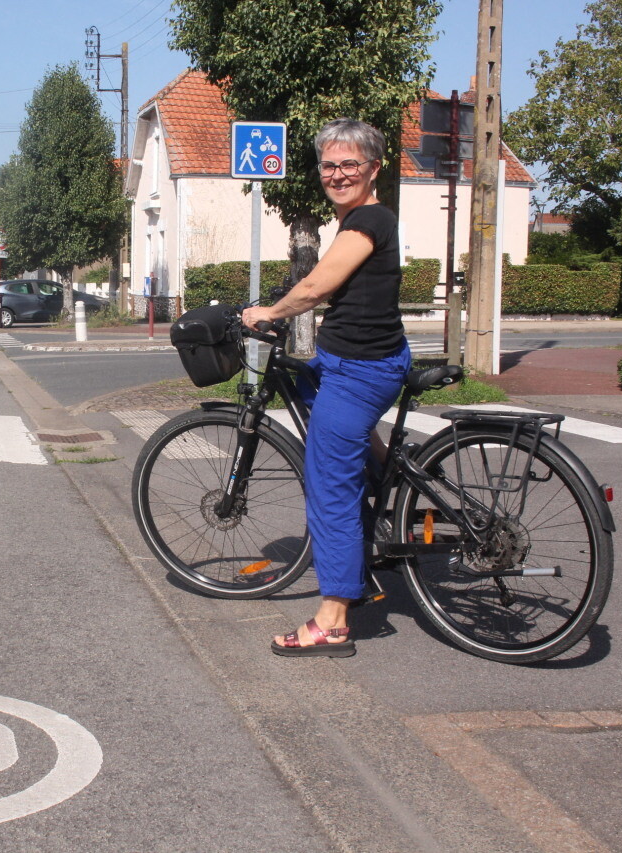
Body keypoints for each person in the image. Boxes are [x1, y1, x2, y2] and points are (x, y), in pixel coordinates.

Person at [241, 118, 410, 657]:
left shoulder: (371, 219)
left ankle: (334, 618)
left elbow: (318, 285)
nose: (337, 175)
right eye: (329, 165)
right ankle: (388, 483)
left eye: (350, 165)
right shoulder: (359, 219)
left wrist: (269, 311)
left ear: (374, 169)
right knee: (310, 391)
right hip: (347, 361)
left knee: (329, 488)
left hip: (362, 370)